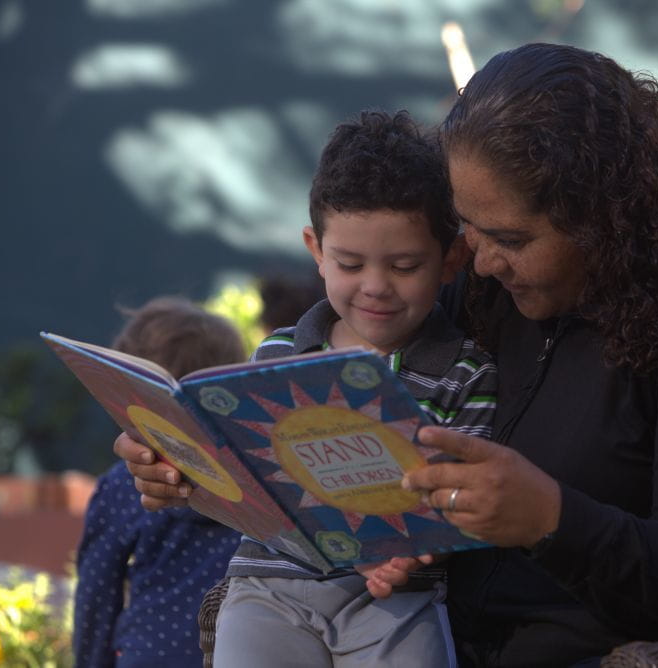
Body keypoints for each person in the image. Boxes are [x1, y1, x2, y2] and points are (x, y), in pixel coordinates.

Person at [118, 44, 658, 666]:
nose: (481, 262)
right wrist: (206, 458)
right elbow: (363, 376)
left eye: (511, 239)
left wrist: (551, 518)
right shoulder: (500, 283)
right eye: (468, 230)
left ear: (605, 221)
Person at [120, 109, 497, 667]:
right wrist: (175, 459)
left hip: (396, 598)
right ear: (316, 251)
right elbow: (243, 475)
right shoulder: (277, 355)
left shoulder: (467, 372)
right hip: (268, 588)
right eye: (349, 262)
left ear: (451, 260)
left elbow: (468, 498)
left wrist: (413, 547)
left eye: (404, 265)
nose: (375, 287)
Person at [73, 296, 245, 667]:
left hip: (148, 654)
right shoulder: (251, 482)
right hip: (237, 651)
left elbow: (96, 593)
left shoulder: (122, 485)